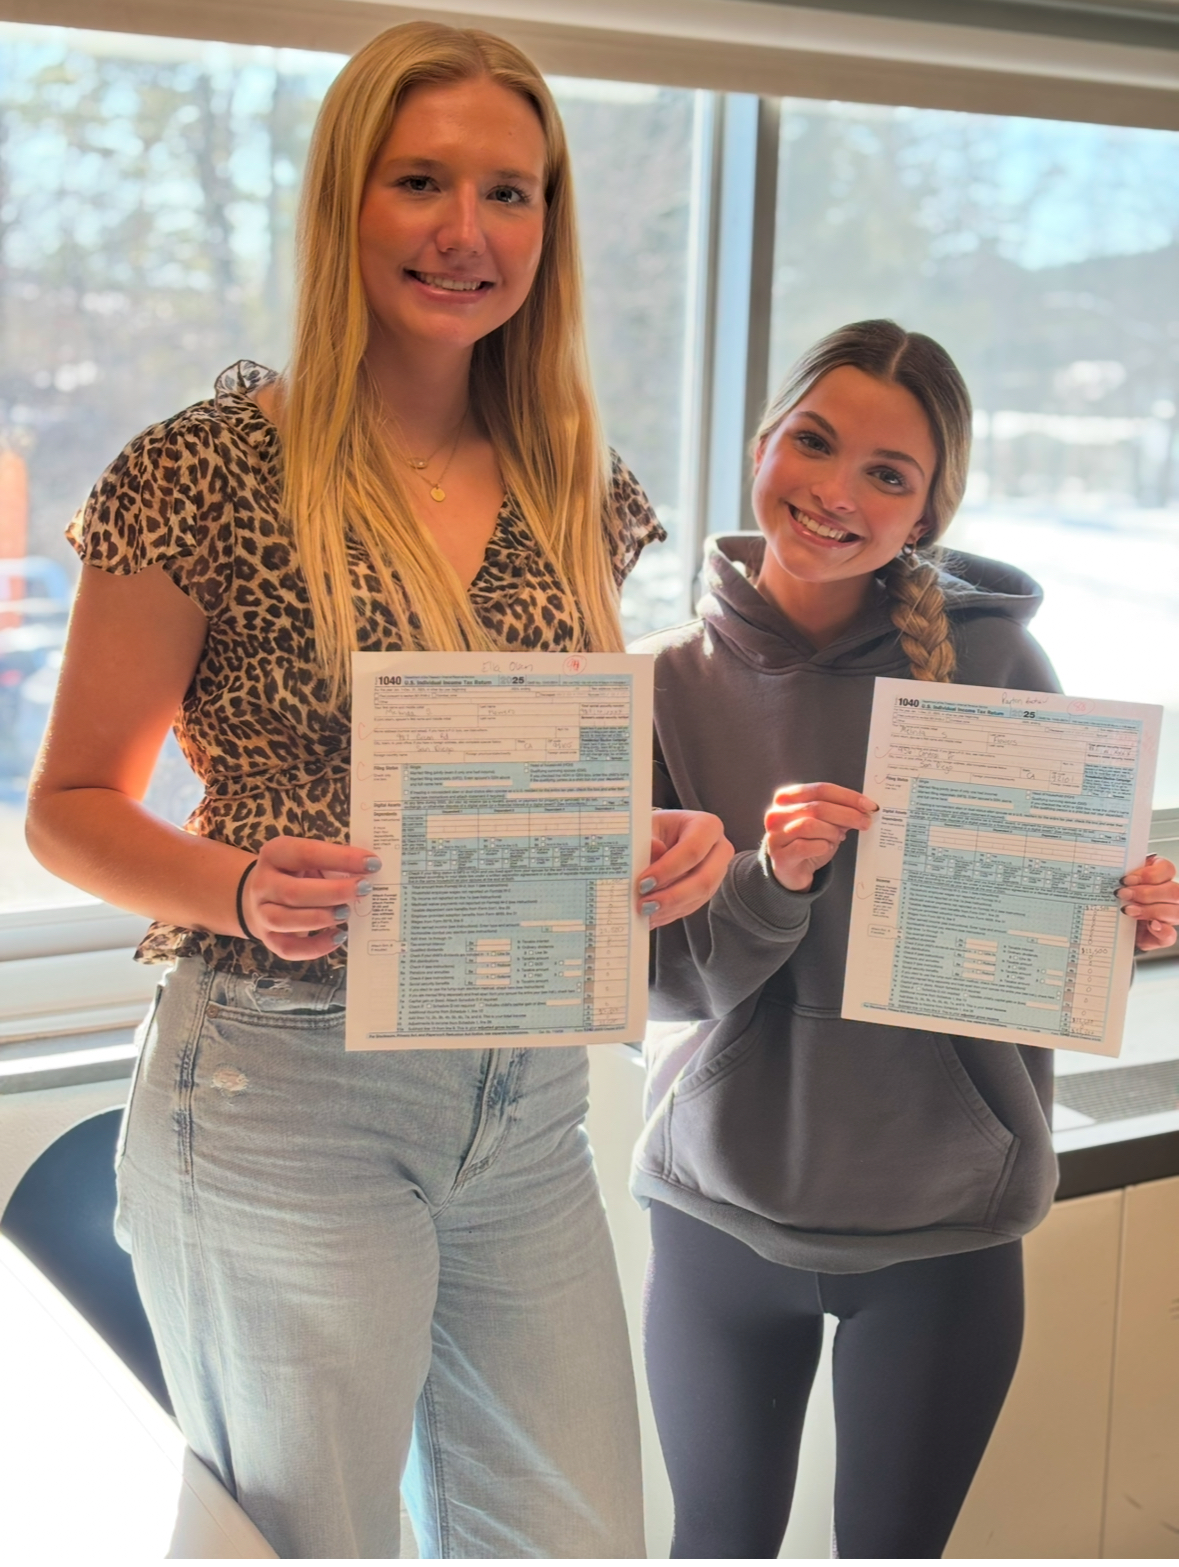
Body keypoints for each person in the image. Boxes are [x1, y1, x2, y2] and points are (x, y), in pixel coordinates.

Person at [25, 22, 731, 1560]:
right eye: (420, 181)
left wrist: (649, 839)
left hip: (525, 1093)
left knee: (577, 1541)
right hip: (289, 1090)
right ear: (344, 196)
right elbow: (67, 802)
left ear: (548, 224)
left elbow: (545, 776)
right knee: (315, 1546)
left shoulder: (577, 483)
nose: (466, 230)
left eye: (508, 192)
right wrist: (234, 883)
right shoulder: (202, 473)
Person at [632, 319, 1179, 1559]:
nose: (836, 491)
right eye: (814, 442)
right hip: (718, 1207)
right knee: (714, 1545)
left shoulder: (995, 663)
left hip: (948, 1224)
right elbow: (658, 983)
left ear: (929, 510)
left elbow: (1039, 929)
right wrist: (772, 880)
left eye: (887, 473)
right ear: (762, 444)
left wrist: (1126, 915)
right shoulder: (662, 685)